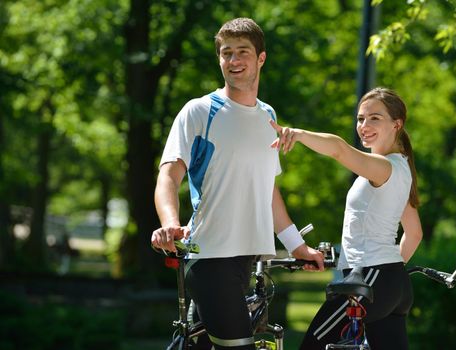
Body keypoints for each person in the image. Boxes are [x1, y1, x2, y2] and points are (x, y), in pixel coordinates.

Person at [151, 17, 325, 350]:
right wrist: (170, 224)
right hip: (210, 258)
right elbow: (169, 175)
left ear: (261, 58)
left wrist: (296, 246)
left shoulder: (268, 116)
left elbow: (268, 192)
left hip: (245, 262)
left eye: (242, 52)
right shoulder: (200, 111)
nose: (233, 61)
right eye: (226, 53)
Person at [270, 87, 423, 350]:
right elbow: (415, 233)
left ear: (396, 124)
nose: (364, 125)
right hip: (392, 283)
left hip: (369, 281)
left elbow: (339, 150)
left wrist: (298, 134)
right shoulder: (401, 168)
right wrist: (387, 275)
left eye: (375, 118)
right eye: (361, 118)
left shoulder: (383, 167)